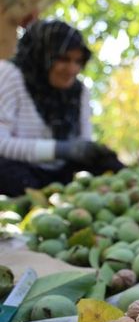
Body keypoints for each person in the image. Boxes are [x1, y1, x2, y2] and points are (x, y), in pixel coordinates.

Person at [0, 20, 123, 197]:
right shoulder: (10, 74)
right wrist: (61, 149)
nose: (72, 69)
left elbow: (83, 141)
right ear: (44, 55)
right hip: (22, 170)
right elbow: (2, 143)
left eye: (78, 61)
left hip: (63, 174)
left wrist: (90, 151)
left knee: (108, 165)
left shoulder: (79, 91)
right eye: (63, 59)